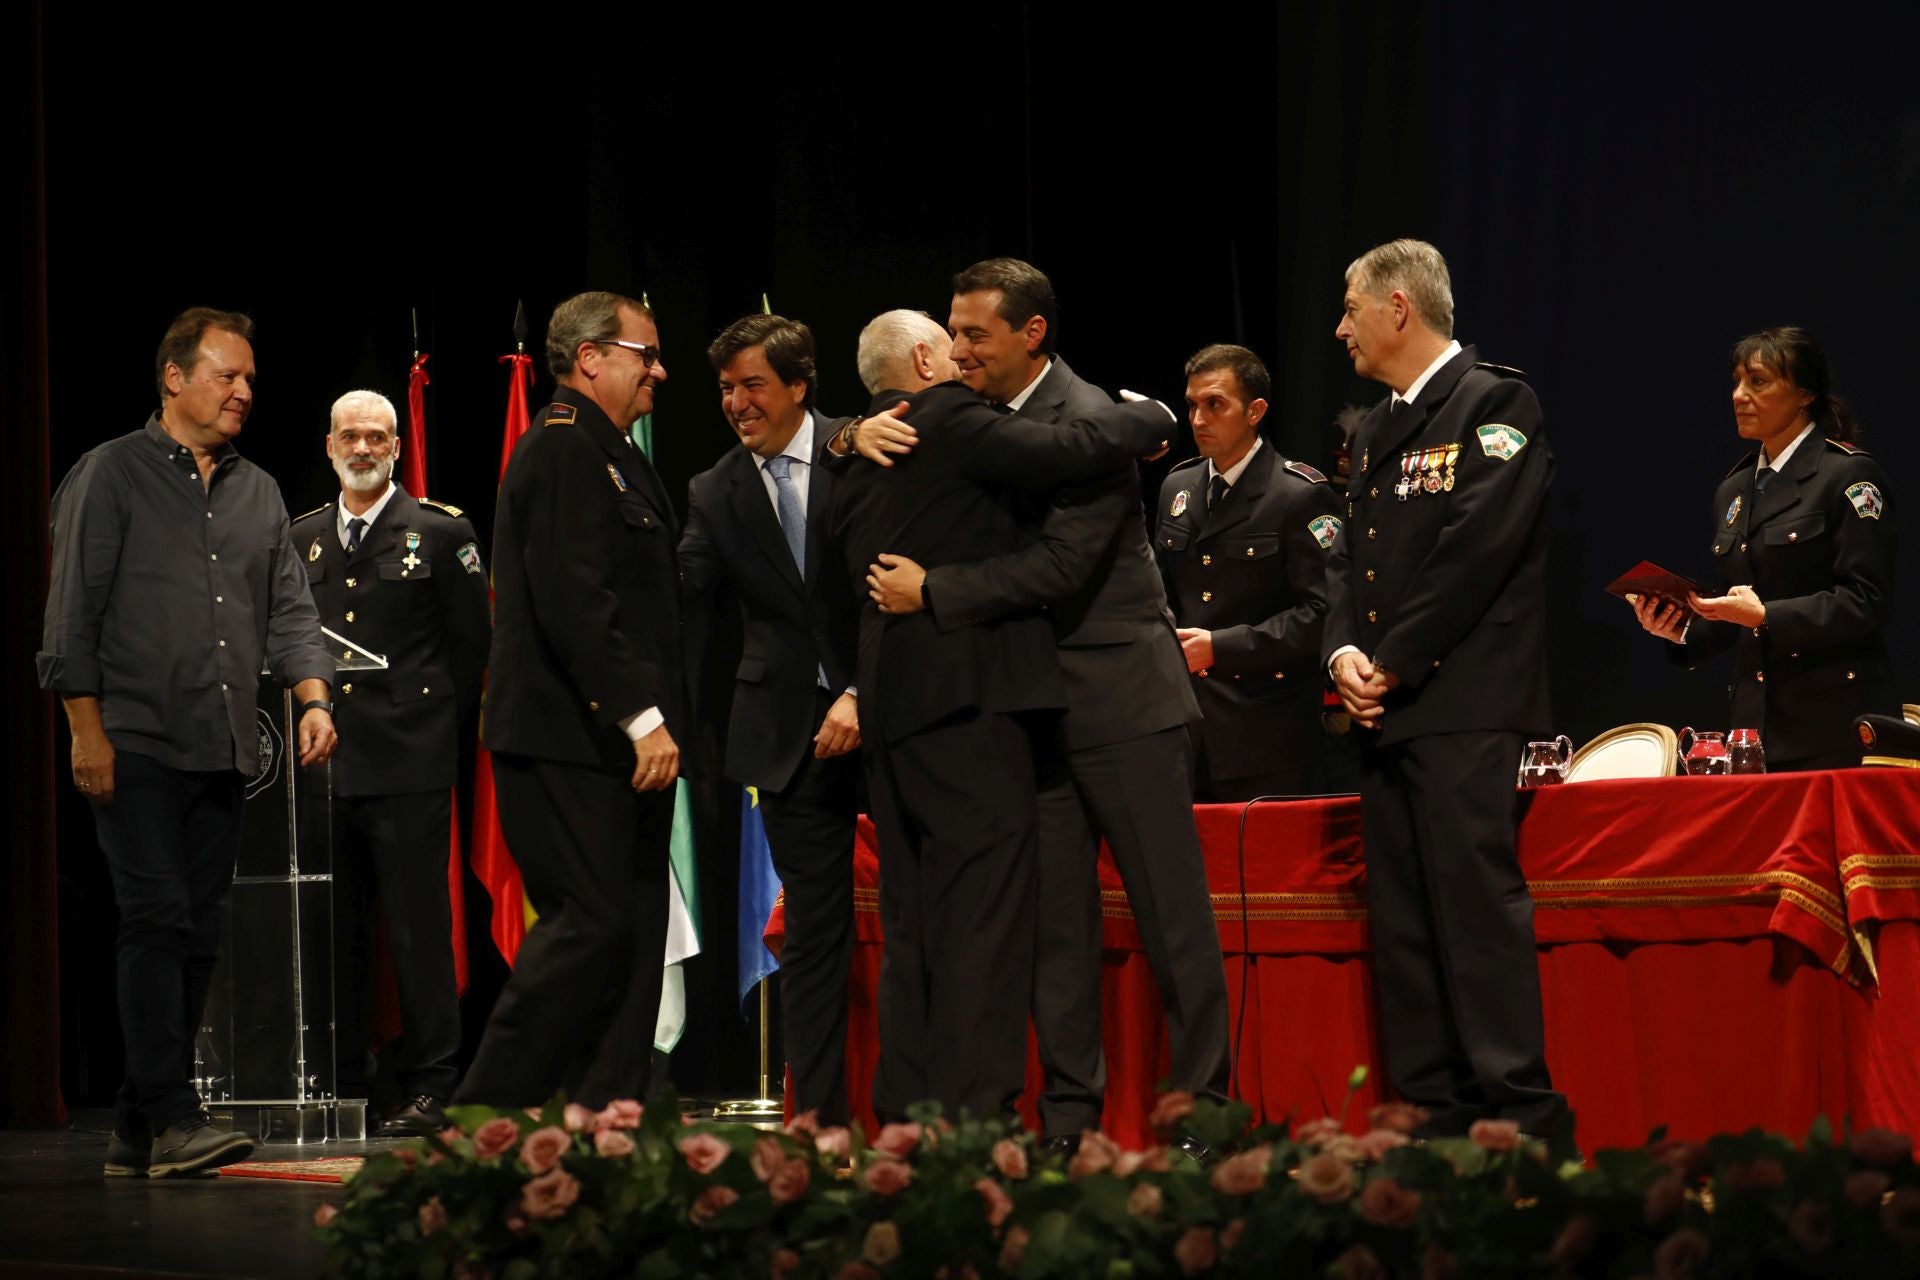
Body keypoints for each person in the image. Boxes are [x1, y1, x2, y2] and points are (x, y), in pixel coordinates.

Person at [855, 265, 1226, 1152]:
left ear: (1031, 336)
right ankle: (1068, 1120)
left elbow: (1059, 569)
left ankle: (1209, 1119)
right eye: (951, 332)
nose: (958, 349)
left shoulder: (1089, 423)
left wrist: (936, 590)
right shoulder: (981, 425)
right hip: (1033, 712)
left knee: (1173, 925)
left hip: (1123, 702)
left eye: (975, 334)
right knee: (1057, 937)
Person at [39, 307, 337, 1177]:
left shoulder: (259, 490)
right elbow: (70, 617)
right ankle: (174, 1117)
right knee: (156, 915)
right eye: (226, 375)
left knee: (200, 931)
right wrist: (84, 731)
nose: (244, 392)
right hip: (131, 738)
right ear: (174, 378)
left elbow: (289, 609)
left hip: (221, 746)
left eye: (250, 379)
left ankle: (136, 1120)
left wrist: (313, 698)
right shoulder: (111, 474)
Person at [1324, 239, 1567, 1138]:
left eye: (1350, 307)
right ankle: (1434, 1115)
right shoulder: (1378, 425)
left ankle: (1522, 1124)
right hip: (1387, 707)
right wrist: (1343, 653)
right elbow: (1350, 562)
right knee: (1406, 924)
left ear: (1398, 307)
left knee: (1473, 915)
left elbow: (1475, 548)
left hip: (1464, 702)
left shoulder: (1496, 402)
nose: (1338, 326)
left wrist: (1392, 657)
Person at [454, 291, 685, 1109]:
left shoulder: (611, 449)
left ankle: (604, 1116)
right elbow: (574, 599)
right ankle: (480, 1112)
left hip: (612, 745)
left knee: (629, 935)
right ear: (591, 357)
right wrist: (641, 716)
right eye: (644, 354)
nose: (659, 370)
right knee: (588, 924)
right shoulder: (561, 448)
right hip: (569, 737)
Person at [289, 389, 490, 1134]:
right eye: (351, 435)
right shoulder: (302, 535)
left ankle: (432, 1083)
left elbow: (473, 647)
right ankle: (345, 1083)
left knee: (418, 931)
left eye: (378, 436)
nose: (364, 447)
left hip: (408, 760)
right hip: (323, 764)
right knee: (335, 933)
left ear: (398, 448)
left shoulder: (439, 531)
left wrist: (429, 725)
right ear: (331, 445)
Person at [678, 314, 861, 1124]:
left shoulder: (865, 453)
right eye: (725, 389)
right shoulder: (713, 489)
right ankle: (817, 1123)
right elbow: (682, 595)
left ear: (798, 383)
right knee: (815, 943)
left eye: (752, 384)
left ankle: (933, 1116)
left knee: (930, 922)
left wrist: (862, 692)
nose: (737, 403)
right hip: (787, 741)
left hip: (894, 721)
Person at [1632, 326, 1896, 770]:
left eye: (1758, 382)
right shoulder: (1734, 489)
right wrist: (1679, 629)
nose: (1739, 395)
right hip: (1756, 728)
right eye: (1736, 381)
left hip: (1836, 726)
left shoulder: (1848, 476)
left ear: (1804, 393)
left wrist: (1769, 616)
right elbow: (1738, 603)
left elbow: (1867, 601)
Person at [1155, 343, 1340, 800]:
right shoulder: (1177, 485)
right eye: (1193, 405)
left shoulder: (1298, 494)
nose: (1199, 420)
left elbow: (1322, 615)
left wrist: (1220, 647)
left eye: (1215, 404)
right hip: (1182, 726)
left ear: (1255, 410)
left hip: (1265, 731)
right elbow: (1158, 593)